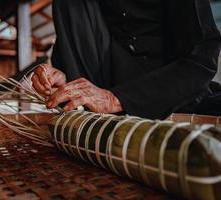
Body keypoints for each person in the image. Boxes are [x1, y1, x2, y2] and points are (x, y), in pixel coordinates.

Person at [31, 0, 221, 120]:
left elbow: (201, 62)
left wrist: (114, 99)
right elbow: (83, 53)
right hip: (104, 111)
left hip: (174, 99)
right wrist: (65, 78)